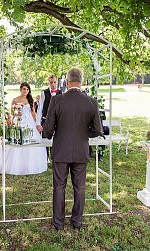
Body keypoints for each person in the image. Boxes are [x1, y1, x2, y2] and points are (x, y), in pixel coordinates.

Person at [43, 68, 102, 230]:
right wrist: (84, 133)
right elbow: (97, 130)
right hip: (81, 150)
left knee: (59, 187)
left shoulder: (57, 100)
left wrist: (50, 131)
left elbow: (48, 131)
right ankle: (77, 222)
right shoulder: (91, 102)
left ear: (66, 82)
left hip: (61, 150)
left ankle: (58, 223)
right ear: (81, 82)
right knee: (80, 187)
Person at [0, 82, 47, 175]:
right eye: (24, 89)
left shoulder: (30, 99)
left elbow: (33, 113)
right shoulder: (15, 100)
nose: (25, 91)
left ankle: (28, 164)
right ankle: (12, 164)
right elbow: (12, 112)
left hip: (29, 122)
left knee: (31, 142)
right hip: (18, 121)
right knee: (15, 140)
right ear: (20, 89)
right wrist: (18, 111)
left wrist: (36, 123)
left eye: (27, 89)